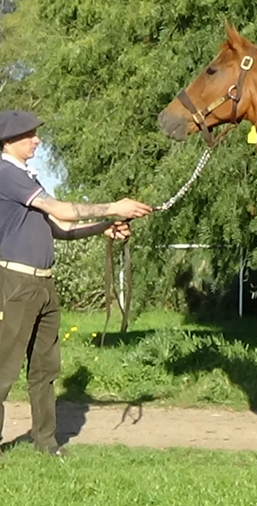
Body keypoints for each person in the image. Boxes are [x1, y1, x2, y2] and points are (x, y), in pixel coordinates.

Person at [0, 109, 152, 457]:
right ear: (8, 141)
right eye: (29, 135)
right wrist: (113, 207)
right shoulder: (7, 174)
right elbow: (61, 211)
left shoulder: (27, 178)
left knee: (45, 369)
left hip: (42, 285)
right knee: (4, 369)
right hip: (17, 284)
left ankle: (46, 443)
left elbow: (60, 227)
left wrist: (104, 228)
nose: (37, 140)